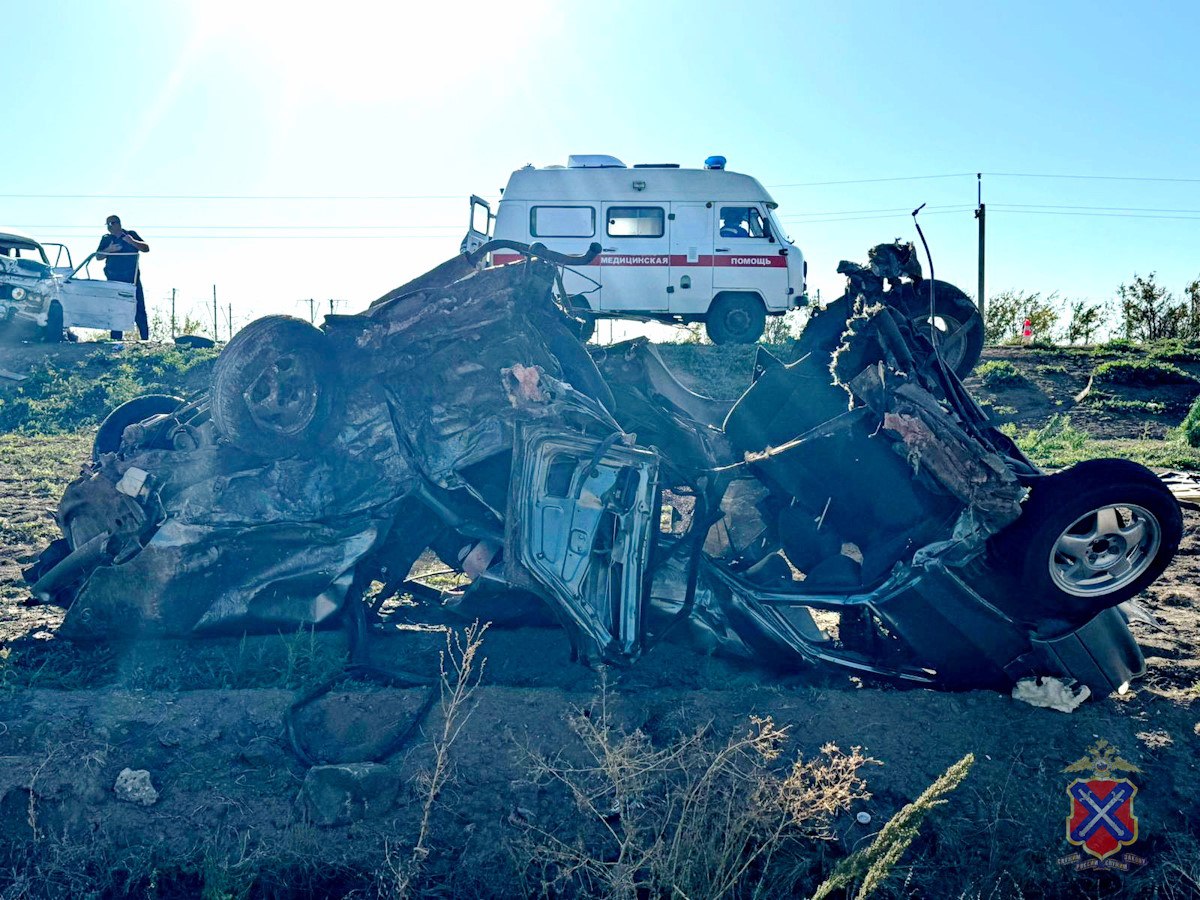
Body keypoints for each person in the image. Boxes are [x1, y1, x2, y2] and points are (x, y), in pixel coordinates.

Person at [96, 215, 150, 340]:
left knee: (138, 306)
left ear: (118, 223)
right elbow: (98, 257)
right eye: (108, 224)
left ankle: (145, 339)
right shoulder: (106, 239)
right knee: (115, 308)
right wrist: (109, 249)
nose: (110, 227)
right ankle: (116, 339)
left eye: (112, 223)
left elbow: (146, 248)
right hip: (113, 278)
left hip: (132, 277)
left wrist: (132, 241)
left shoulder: (130, 234)